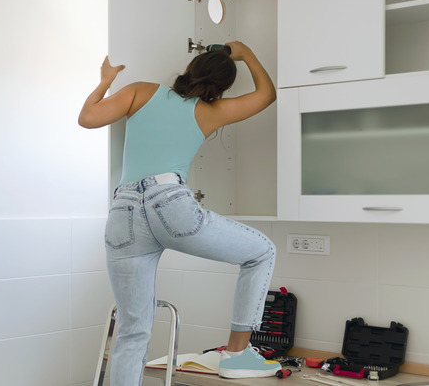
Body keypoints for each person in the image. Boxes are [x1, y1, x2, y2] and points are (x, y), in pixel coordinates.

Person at [78, 41, 279, 384]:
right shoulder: (212, 111)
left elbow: (88, 118)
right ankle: (237, 353)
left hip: (123, 211)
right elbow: (266, 94)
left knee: (132, 331)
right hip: (170, 204)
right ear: (222, 88)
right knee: (262, 251)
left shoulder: (140, 91)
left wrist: (105, 81)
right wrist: (245, 53)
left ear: (189, 68)